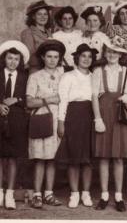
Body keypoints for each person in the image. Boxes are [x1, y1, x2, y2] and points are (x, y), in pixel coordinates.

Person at [92, 38, 127, 212]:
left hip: (119, 116)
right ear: (105, 53)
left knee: (118, 157)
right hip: (104, 115)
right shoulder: (98, 71)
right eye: (109, 51)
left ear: (121, 55)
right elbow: (94, 96)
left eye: (116, 52)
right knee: (103, 157)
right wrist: (97, 118)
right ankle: (104, 195)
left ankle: (118, 196)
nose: (112, 55)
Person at [56, 43, 98, 208]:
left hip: (90, 116)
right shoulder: (68, 76)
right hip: (73, 116)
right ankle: (74, 193)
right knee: (74, 157)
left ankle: (86, 193)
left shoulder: (94, 76)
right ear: (77, 58)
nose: (86, 59)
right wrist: (61, 122)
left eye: (89, 56)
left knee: (87, 158)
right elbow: (63, 100)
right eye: (83, 56)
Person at [26, 39, 65, 209]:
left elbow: (67, 97)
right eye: (49, 56)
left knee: (52, 158)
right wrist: (50, 99)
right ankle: (37, 195)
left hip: (58, 119)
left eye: (56, 57)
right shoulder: (35, 76)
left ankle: (49, 193)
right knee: (40, 159)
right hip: (41, 119)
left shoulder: (64, 75)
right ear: (43, 57)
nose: (52, 60)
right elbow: (29, 102)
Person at [0, 41, 29, 209]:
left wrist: (16, 99)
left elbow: (29, 97)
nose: (12, 62)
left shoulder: (24, 77)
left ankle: (9, 193)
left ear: (20, 61)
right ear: (4, 59)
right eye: (9, 58)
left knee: (13, 157)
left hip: (17, 121)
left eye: (16, 59)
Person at [21, 0, 53, 73]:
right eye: (39, 14)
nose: (43, 17)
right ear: (33, 17)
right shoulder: (27, 33)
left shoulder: (49, 33)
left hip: (50, 71)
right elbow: (29, 57)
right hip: (36, 71)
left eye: (45, 14)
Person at [107, 0, 127, 67]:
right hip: (117, 64)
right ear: (118, 17)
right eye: (122, 14)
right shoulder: (114, 29)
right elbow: (111, 49)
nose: (125, 16)